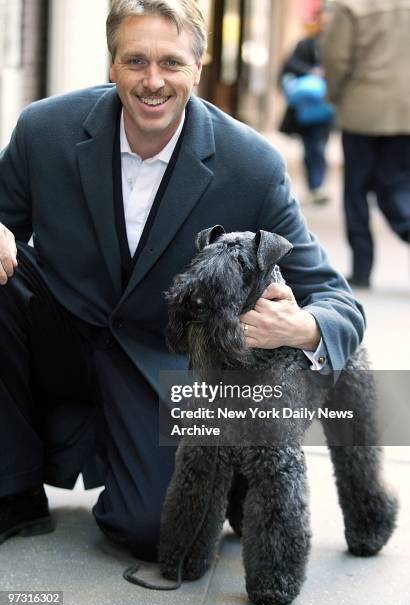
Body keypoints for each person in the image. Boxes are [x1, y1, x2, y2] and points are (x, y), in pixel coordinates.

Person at [0, 0, 364, 561]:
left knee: (157, 532)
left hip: (162, 365)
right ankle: (12, 488)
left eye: (170, 63)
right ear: (112, 65)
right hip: (60, 337)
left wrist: (306, 326)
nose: (152, 81)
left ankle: (224, 466)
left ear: (198, 66)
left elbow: (338, 301)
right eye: (135, 61)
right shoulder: (43, 130)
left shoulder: (251, 163)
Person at [320, 0, 410, 288]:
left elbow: (335, 58)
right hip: (406, 111)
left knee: (356, 192)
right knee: (396, 185)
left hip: (363, 109)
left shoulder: (352, 6)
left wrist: (335, 95)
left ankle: (362, 270)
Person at [279, 4, 333, 205]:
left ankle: (317, 184)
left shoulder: (339, 45)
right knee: (312, 146)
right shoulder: (306, 44)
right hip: (309, 107)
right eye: (324, 21)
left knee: (319, 145)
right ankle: (316, 186)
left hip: (328, 107)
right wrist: (313, 71)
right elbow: (289, 66)